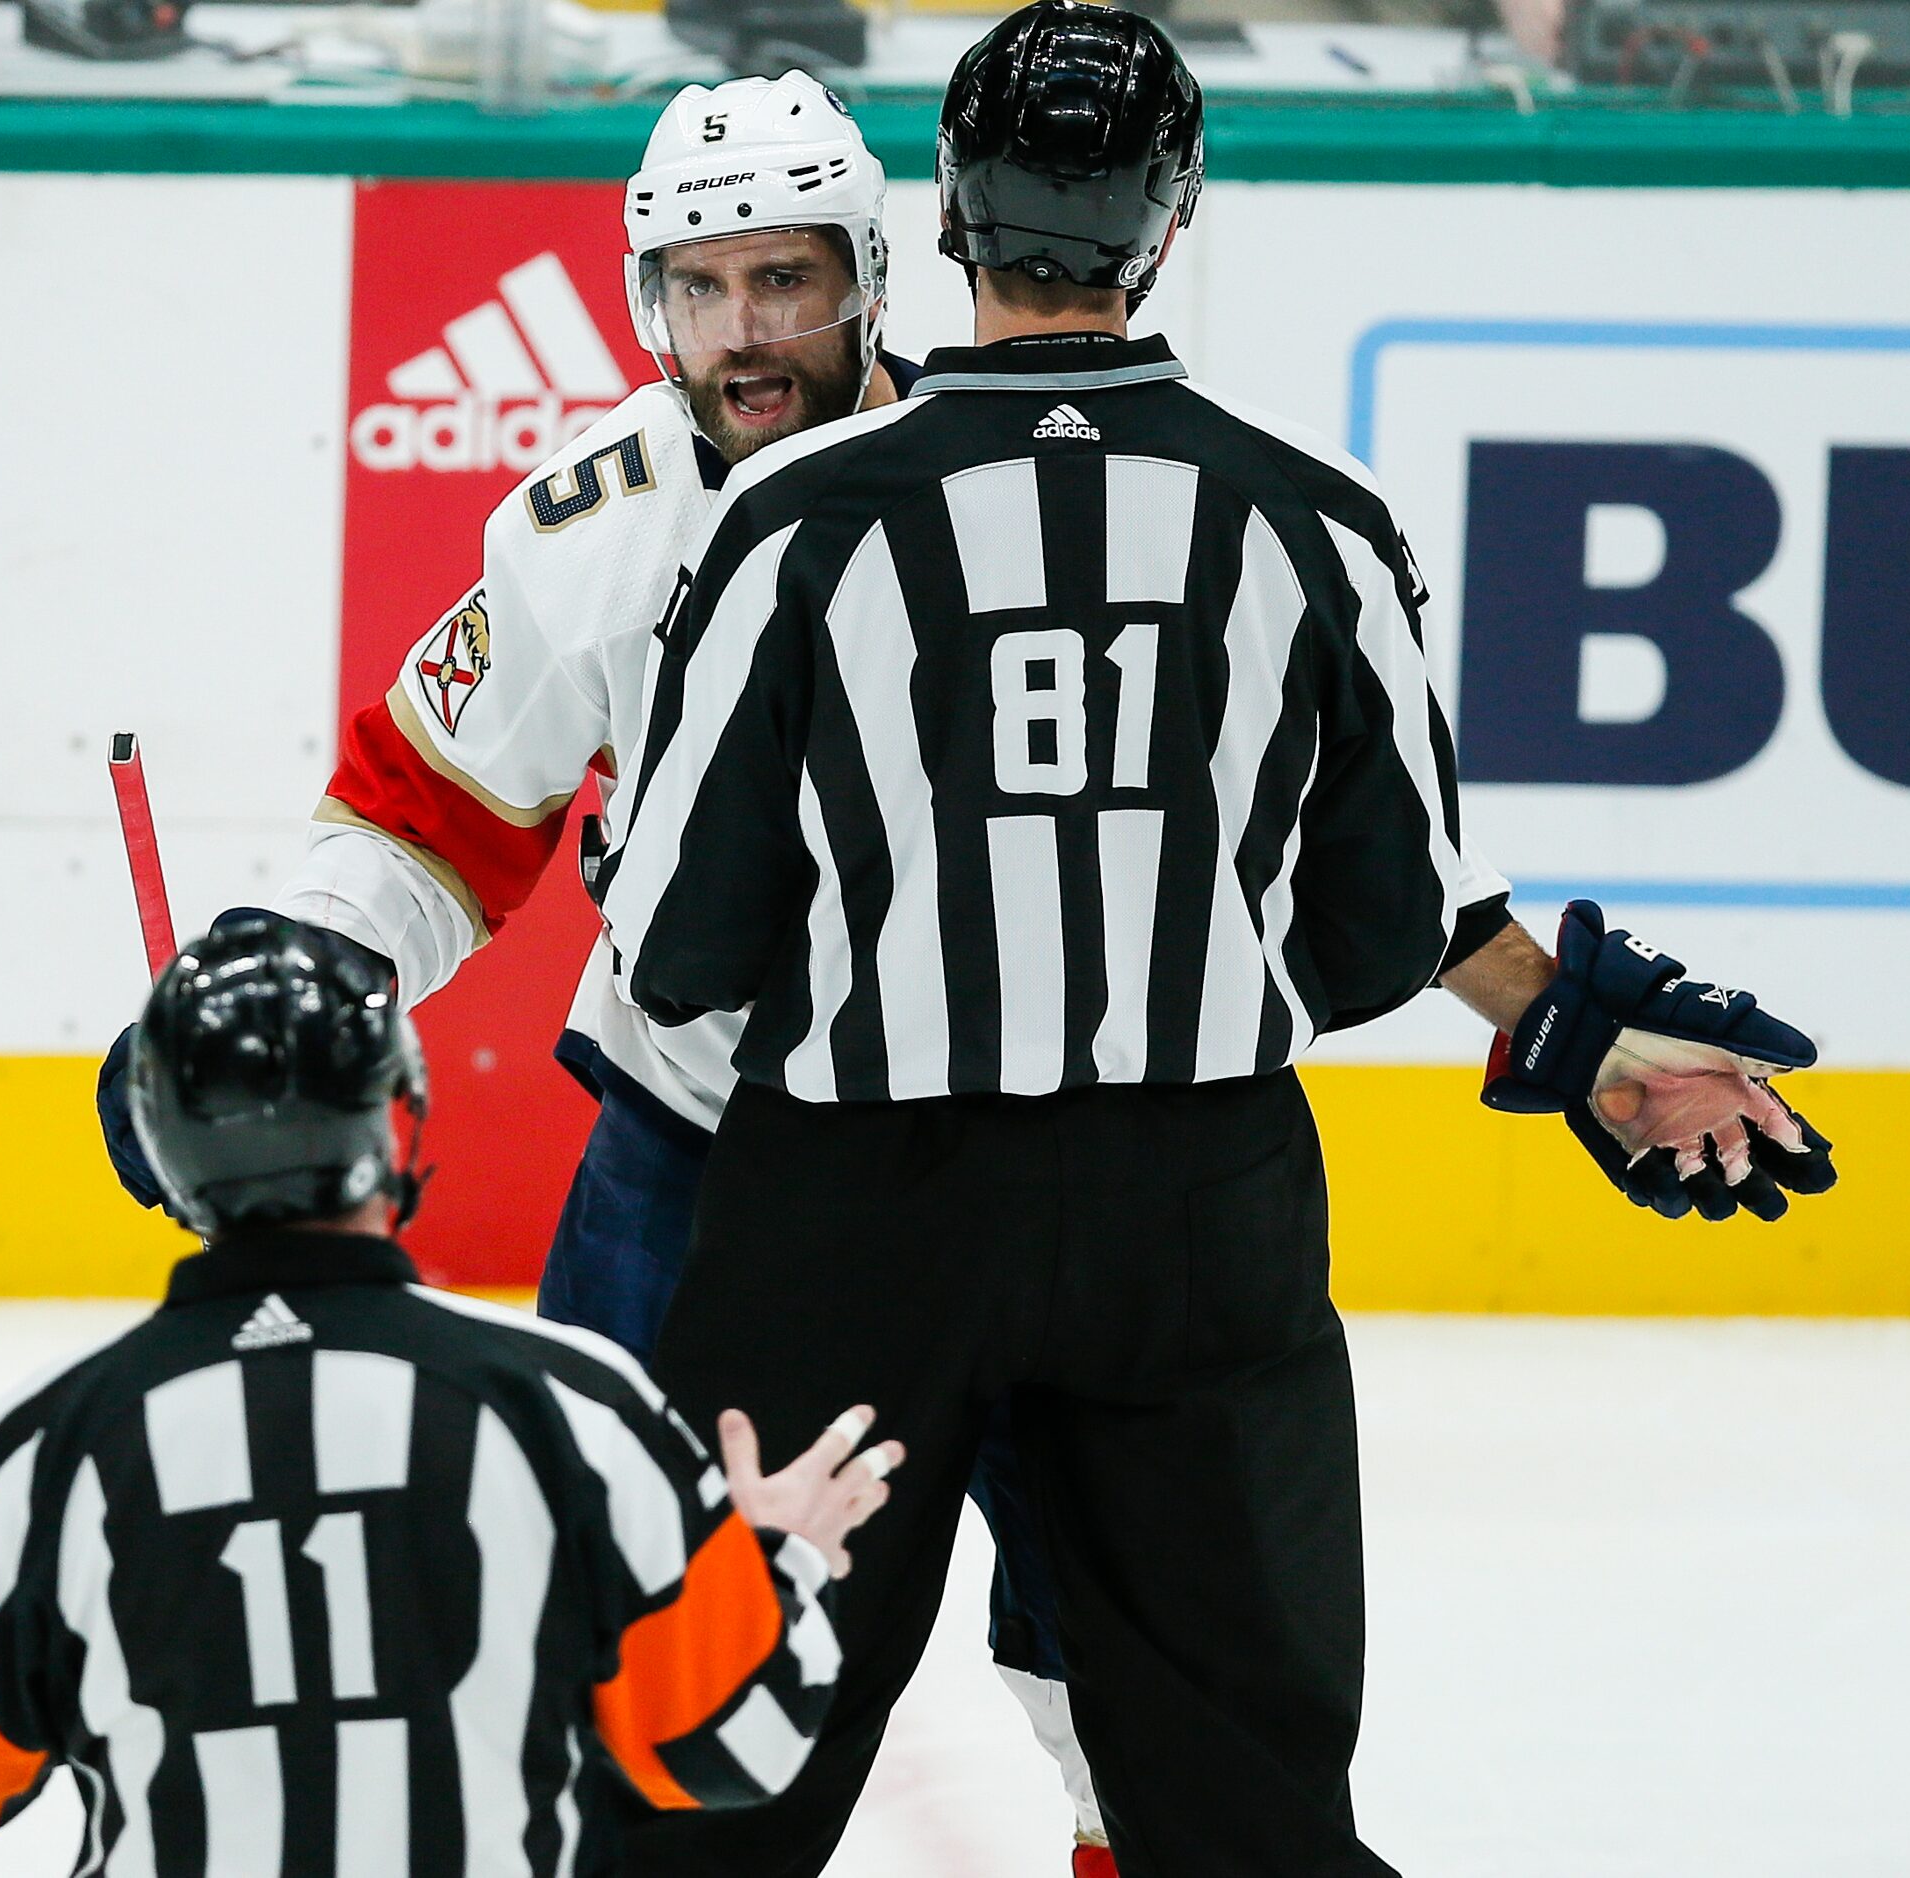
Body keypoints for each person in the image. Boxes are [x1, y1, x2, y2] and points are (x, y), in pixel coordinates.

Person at [595, 6, 1839, 1874]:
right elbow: (1376, 930)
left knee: (703, 1775)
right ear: (1170, 220)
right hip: (1195, 1212)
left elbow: (676, 943)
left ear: (940, 217)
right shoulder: (1312, 520)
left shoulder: (787, 524)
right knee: (1239, 1801)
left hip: (856, 1213)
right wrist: (1580, 1039)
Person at [91, 71, 1134, 1873]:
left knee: (1107, 1614)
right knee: (577, 1580)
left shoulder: (1021, 490)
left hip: (999, 1147)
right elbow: (430, 817)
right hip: (696, 1140)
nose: (743, 336)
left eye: (786, 282)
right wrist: (290, 977)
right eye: (696, 288)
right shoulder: (593, 524)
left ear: (874, 278)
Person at [0, 913, 903, 1876]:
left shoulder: (50, 1443)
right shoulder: (566, 1411)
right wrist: (775, 1564)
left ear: (161, 1149)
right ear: (393, 1125)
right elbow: (730, 1746)